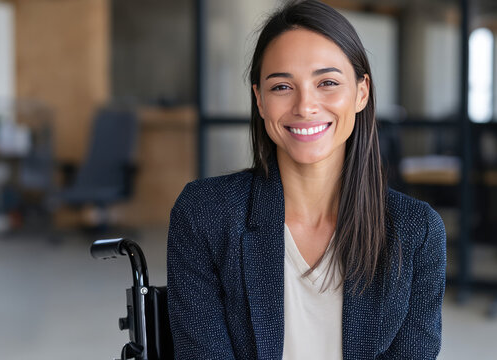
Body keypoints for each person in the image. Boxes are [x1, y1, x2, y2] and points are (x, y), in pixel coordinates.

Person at [167, 1, 446, 359]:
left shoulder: (416, 232)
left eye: (327, 82)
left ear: (361, 92)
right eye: (282, 87)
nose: (305, 106)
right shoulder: (205, 214)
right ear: (260, 100)